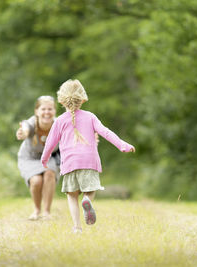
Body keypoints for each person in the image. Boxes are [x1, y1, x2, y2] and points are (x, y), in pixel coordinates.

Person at [41, 79, 135, 233]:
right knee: (90, 190)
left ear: (61, 100)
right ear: (83, 99)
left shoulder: (59, 121)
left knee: (71, 196)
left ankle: (77, 227)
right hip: (89, 161)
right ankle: (87, 200)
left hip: (70, 163)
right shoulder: (90, 116)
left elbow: (50, 143)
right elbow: (105, 132)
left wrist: (44, 159)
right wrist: (122, 145)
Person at [16, 95, 60, 220]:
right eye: (43, 109)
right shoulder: (31, 123)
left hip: (50, 157)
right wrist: (22, 133)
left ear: (54, 111)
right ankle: (36, 210)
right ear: (37, 111)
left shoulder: (59, 124)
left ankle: (46, 212)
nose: (47, 112)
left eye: (50, 109)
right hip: (29, 158)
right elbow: (24, 127)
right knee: (36, 181)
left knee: (49, 174)